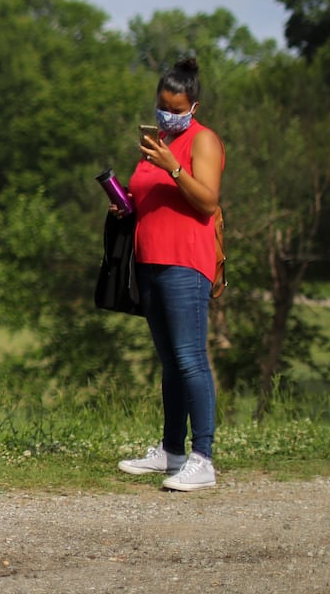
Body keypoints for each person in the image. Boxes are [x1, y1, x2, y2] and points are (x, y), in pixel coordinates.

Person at [116, 56, 226, 491]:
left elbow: (207, 201)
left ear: (193, 106)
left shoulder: (203, 142)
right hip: (150, 262)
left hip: (185, 263)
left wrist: (172, 166)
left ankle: (203, 458)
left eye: (177, 109)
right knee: (169, 361)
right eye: (163, 106)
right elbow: (146, 196)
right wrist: (122, 202)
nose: (169, 115)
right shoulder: (154, 143)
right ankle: (171, 450)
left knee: (190, 358)